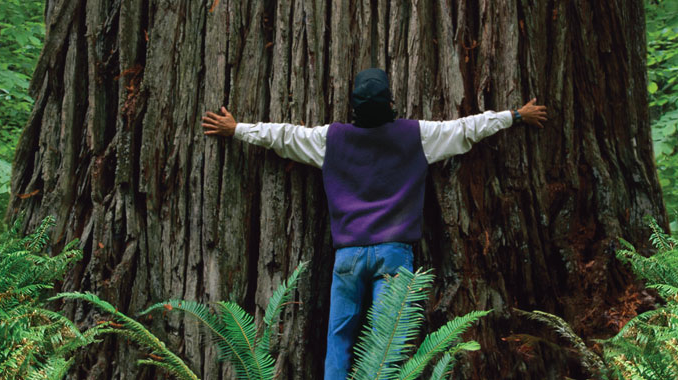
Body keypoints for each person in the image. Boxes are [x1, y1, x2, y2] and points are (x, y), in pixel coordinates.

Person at [201, 68, 548, 380]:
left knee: (339, 340)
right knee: (387, 346)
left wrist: (236, 129)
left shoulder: (331, 140)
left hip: (348, 258)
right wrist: (515, 116)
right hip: (394, 257)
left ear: (354, 105)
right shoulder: (417, 136)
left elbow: (285, 136)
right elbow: (467, 129)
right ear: (390, 102)